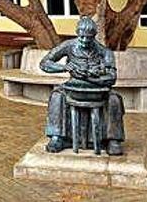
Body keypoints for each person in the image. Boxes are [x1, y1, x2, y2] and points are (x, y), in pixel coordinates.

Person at [39, 16, 125, 156]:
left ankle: (113, 140)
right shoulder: (68, 46)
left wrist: (89, 76)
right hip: (73, 87)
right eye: (82, 37)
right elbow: (44, 63)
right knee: (56, 96)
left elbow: (111, 77)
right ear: (77, 34)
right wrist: (66, 67)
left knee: (114, 99)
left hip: (97, 89)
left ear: (94, 36)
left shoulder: (104, 52)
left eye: (89, 38)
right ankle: (58, 137)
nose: (85, 41)